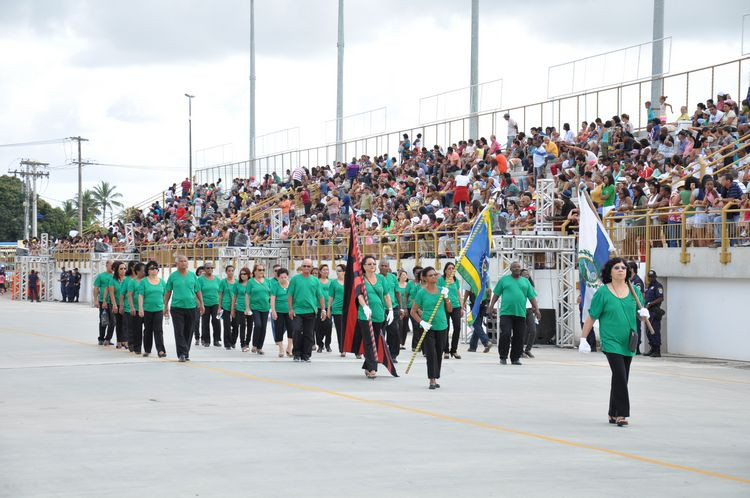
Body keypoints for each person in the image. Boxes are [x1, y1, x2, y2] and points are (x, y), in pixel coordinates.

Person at [580, 258, 649, 427]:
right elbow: (592, 316)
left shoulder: (634, 291)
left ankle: (612, 412)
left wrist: (644, 313)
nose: (620, 270)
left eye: (623, 268)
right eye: (616, 267)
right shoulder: (603, 293)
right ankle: (622, 414)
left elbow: (640, 314)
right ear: (610, 271)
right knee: (619, 374)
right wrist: (583, 338)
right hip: (611, 340)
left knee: (622, 378)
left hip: (629, 340)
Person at [489, 261, 541, 365]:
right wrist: (491, 306)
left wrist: (537, 309)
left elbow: (532, 297)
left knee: (519, 336)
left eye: (519, 267)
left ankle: (515, 358)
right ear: (511, 269)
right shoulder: (504, 280)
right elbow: (496, 294)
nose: (517, 268)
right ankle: (503, 356)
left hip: (521, 313)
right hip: (506, 313)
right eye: (515, 267)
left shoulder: (525, 282)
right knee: (506, 333)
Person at [410, 266, 452, 389]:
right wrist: (422, 322)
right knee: (431, 353)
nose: (434, 277)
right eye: (430, 275)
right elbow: (413, 311)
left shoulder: (442, 290)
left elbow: (449, 309)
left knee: (439, 353)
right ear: (424, 278)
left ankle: (435, 375)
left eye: (435, 274)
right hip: (428, 327)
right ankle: (432, 379)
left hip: (442, 325)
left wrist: (447, 297)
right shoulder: (421, 293)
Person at [356, 255, 394, 379]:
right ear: (364, 266)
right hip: (365, 315)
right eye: (369, 264)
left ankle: (367, 365)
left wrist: (390, 310)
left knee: (376, 341)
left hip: (379, 315)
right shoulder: (360, 279)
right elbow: (359, 295)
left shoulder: (381, 278)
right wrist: (365, 307)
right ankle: (372, 368)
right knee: (369, 342)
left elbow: (386, 295)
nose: (372, 266)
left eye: (373, 263)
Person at [164, 255, 204, 362]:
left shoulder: (192, 276)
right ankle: (182, 353)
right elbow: (168, 292)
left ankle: (186, 353)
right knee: (179, 331)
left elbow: (198, 290)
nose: (183, 263)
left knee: (189, 331)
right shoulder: (173, 276)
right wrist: (165, 306)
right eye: (181, 261)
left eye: (185, 261)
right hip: (177, 308)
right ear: (177, 263)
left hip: (191, 307)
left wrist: (201, 303)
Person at [288, 259, 326, 362]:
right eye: (304, 266)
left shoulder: (315, 280)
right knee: (296, 331)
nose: (306, 268)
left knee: (309, 334)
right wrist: (290, 309)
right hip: (297, 311)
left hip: (310, 311)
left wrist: (323, 310)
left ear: (312, 268)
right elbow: (290, 295)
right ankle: (296, 353)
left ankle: (306, 355)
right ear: (301, 267)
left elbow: (320, 296)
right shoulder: (295, 279)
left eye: (308, 266)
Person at [138, 261, 167, 358]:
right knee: (148, 330)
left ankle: (161, 350)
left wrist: (166, 307)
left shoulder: (162, 282)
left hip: (158, 309)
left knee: (158, 330)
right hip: (147, 309)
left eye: (156, 268)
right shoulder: (143, 282)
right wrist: (141, 308)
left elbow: (165, 296)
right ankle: (147, 349)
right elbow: (141, 295)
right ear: (148, 270)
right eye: (151, 268)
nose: (154, 270)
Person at [438, 262, 462, 359]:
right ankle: (446, 350)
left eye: (453, 268)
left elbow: (458, 294)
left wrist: (461, 306)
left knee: (457, 327)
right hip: (445, 306)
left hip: (455, 306)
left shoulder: (456, 280)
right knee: (446, 328)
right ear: (445, 270)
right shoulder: (441, 280)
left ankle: (454, 350)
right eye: (449, 268)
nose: (451, 270)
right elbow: (438, 292)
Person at [247, 264, 272, 355]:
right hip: (255, 307)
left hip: (265, 307)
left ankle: (260, 347)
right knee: (258, 325)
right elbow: (247, 295)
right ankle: (254, 345)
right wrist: (247, 307)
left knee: (263, 327)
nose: (262, 271)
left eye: (263, 270)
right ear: (255, 271)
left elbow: (271, 293)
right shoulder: (251, 282)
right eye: (260, 270)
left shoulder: (267, 281)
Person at [379, 260, 400, 361]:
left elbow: (397, 293)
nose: (383, 267)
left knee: (394, 332)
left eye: (385, 266)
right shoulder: (376, 278)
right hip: (380, 309)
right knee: (380, 333)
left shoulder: (393, 277)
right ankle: (381, 354)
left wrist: (401, 308)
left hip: (393, 307)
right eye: (382, 266)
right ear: (379, 267)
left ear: (388, 267)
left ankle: (393, 354)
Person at [270, 268, 294, 358]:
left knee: (291, 328)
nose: (283, 279)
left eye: (285, 277)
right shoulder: (275, 286)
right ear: (278, 277)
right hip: (279, 311)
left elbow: (293, 297)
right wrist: (273, 310)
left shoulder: (291, 285)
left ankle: (289, 347)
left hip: (289, 311)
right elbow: (272, 299)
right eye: (281, 277)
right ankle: (281, 348)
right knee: (279, 329)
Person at [198, 262, 222, 347]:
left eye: (212, 268)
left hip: (215, 303)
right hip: (205, 304)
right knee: (205, 322)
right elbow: (197, 291)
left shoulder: (217, 279)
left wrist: (220, 305)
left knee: (216, 321)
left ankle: (216, 340)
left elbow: (220, 292)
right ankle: (206, 340)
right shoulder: (200, 279)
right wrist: (200, 304)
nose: (210, 270)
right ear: (204, 269)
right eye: (208, 268)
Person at [464, 288, 492, 353]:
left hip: (475, 302)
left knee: (475, 323)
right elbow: (489, 290)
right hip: (484, 302)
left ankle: (486, 341)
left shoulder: (472, 277)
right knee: (478, 324)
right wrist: (488, 304)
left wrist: (464, 302)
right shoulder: (486, 277)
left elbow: (467, 290)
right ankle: (472, 346)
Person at [109, 261, 129, 350]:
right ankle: (119, 341)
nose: (123, 270)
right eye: (121, 269)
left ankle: (125, 340)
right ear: (117, 270)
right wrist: (114, 305)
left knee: (126, 323)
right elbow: (112, 294)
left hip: (125, 304)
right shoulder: (113, 280)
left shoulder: (127, 279)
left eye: (125, 268)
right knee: (119, 323)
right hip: (116, 304)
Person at [93, 260, 114, 345]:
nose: (112, 267)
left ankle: (108, 339)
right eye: (111, 265)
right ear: (107, 265)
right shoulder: (101, 276)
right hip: (103, 301)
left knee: (113, 321)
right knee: (104, 320)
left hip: (113, 302)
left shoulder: (115, 276)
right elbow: (96, 288)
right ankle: (101, 338)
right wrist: (96, 300)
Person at [327, 264, 346, 357]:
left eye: (340, 270)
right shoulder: (333, 283)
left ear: (344, 272)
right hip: (337, 309)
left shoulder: (349, 282)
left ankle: (355, 350)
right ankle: (342, 349)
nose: (338, 272)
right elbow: (331, 297)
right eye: (337, 270)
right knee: (340, 330)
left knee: (348, 330)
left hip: (347, 309)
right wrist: (328, 309)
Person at [643, 270, 664, 357]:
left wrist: (650, 304)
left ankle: (657, 350)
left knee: (655, 330)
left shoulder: (658, 286)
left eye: (652, 277)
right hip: (648, 312)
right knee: (648, 331)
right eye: (650, 277)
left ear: (655, 276)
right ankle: (652, 348)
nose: (651, 278)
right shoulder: (649, 286)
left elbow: (660, 298)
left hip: (654, 311)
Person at [218, 265, 238, 350]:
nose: (230, 272)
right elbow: (220, 295)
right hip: (226, 306)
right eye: (229, 270)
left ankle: (233, 341)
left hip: (236, 307)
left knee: (236, 326)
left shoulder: (237, 282)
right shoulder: (223, 282)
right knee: (227, 326)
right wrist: (219, 307)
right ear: (226, 272)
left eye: (232, 270)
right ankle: (227, 344)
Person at [127, 263, 145, 354]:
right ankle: (137, 347)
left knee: (147, 330)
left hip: (146, 308)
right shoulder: (133, 281)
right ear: (137, 271)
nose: (145, 272)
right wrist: (132, 307)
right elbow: (129, 295)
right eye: (143, 270)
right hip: (137, 308)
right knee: (137, 329)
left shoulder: (146, 281)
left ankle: (146, 347)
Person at [315, 264, 333, 353]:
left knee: (329, 326)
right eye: (324, 270)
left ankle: (327, 344)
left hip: (328, 307)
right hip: (318, 307)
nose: (326, 271)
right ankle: (320, 345)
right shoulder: (317, 281)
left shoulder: (331, 282)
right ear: (320, 271)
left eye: (327, 269)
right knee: (318, 327)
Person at [233, 267, 251, 352]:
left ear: (248, 275)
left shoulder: (252, 283)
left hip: (251, 307)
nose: (242, 275)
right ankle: (242, 344)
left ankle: (247, 342)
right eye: (241, 274)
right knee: (242, 325)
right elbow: (234, 297)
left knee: (250, 326)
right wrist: (233, 309)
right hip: (240, 307)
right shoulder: (237, 284)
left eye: (244, 274)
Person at [521, 269, 538, 359]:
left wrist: (536, 308)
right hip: (521, 309)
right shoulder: (519, 284)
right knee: (522, 331)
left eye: (528, 274)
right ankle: (520, 350)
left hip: (529, 310)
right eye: (524, 274)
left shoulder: (530, 286)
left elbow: (534, 297)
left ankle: (528, 349)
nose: (527, 275)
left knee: (533, 330)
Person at [394, 269, 409, 349]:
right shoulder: (397, 285)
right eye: (403, 275)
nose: (405, 276)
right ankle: (398, 342)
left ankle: (403, 343)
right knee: (399, 325)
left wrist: (406, 307)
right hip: (399, 307)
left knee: (405, 326)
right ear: (399, 276)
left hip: (406, 307)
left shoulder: (408, 285)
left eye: (406, 275)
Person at [192, 266, 205, 346]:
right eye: (200, 272)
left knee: (205, 322)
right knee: (196, 321)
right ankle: (197, 337)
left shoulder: (208, 281)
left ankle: (204, 338)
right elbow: (194, 293)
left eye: (203, 272)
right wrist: (198, 303)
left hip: (206, 303)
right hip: (196, 304)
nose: (201, 273)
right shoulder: (195, 281)